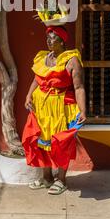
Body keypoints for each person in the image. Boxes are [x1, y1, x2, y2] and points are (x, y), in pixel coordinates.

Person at [22, 25, 86, 195]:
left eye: (53, 38)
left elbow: (79, 87)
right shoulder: (44, 58)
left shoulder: (71, 61)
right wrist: (29, 96)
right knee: (42, 142)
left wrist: (83, 110)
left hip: (62, 108)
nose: (49, 41)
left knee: (61, 143)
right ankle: (47, 178)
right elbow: (37, 80)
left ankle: (62, 180)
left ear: (62, 41)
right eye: (48, 38)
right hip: (42, 108)